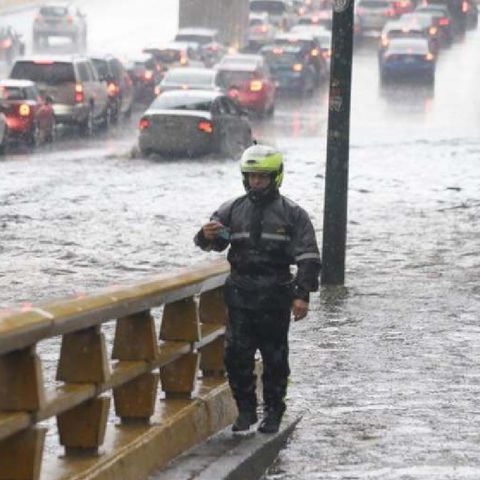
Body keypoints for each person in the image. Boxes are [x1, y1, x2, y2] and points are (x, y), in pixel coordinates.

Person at [194, 144, 321, 434]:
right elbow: (213, 242)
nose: (257, 182)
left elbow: (309, 257)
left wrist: (302, 295)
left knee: (275, 358)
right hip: (240, 293)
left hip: (275, 293)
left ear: (275, 177)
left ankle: (274, 411)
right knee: (235, 356)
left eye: (263, 177)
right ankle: (247, 409)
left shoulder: (292, 214)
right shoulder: (232, 209)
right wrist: (205, 235)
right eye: (252, 176)